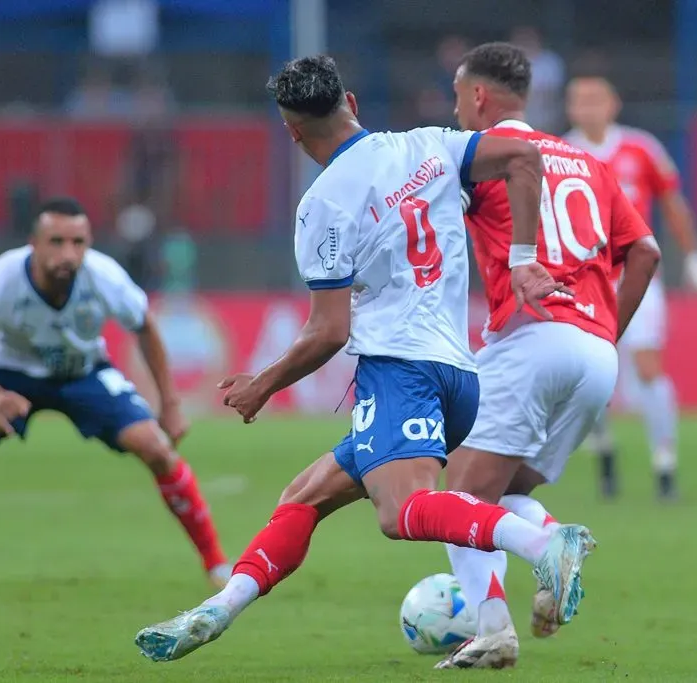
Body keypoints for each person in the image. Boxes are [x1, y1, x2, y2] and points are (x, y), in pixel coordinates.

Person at [133, 55, 594, 663]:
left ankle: (543, 544)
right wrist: (522, 258)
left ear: (292, 131)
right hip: (458, 373)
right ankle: (216, 612)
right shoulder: (429, 145)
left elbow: (328, 332)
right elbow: (523, 157)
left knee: (400, 512)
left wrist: (263, 385)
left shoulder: (321, 206)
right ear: (350, 99)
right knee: (304, 497)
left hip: (399, 368)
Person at [435, 43, 661, 669]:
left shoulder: (480, 159)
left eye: (458, 98)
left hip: (531, 336)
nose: (456, 113)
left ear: (478, 96)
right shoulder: (589, 161)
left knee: (458, 496)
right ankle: (552, 540)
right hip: (594, 352)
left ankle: (494, 627)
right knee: (507, 488)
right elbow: (645, 252)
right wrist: (605, 332)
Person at [0, 197, 231, 586]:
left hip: (83, 372)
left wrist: (171, 404)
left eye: (78, 243)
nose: (69, 254)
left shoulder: (103, 276)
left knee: (157, 448)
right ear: (35, 243)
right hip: (13, 373)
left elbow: (144, 325)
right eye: (57, 242)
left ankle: (216, 564)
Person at [564, 75, 697, 500]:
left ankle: (664, 465)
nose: (588, 107)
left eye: (596, 99)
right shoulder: (557, 151)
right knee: (591, 375)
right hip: (583, 280)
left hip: (636, 276)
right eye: (579, 100)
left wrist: (695, 256)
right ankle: (604, 450)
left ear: (614, 104)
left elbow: (672, 202)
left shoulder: (641, 148)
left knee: (648, 369)